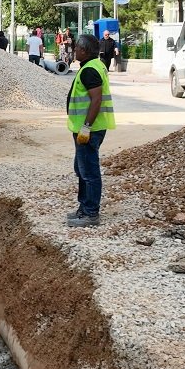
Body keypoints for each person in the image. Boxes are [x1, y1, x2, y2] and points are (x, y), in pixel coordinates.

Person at [66, 34, 116, 227]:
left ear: (84, 51)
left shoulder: (90, 71)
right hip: (86, 128)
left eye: (77, 48)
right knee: (81, 168)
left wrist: (86, 127)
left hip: (90, 129)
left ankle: (90, 213)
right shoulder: (94, 65)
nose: (75, 51)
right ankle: (83, 208)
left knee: (89, 171)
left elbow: (97, 100)